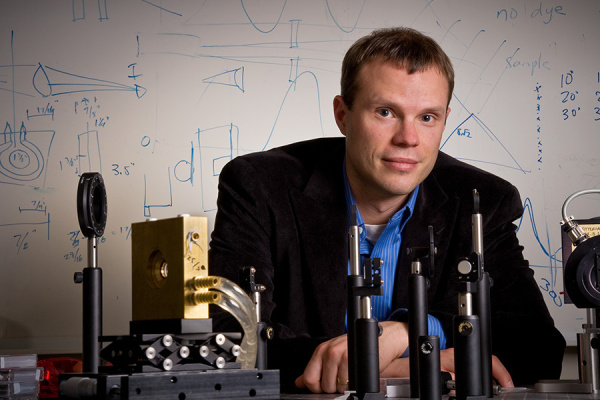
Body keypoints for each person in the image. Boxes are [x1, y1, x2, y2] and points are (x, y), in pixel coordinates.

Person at [208, 26, 565, 394]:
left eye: (427, 117)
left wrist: (410, 333)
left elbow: (538, 348)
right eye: (385, 112)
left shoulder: (482, 200)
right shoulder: (259, 187)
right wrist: (400, 367)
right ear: (343, 114)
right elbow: (228, 342)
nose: (408, 138)